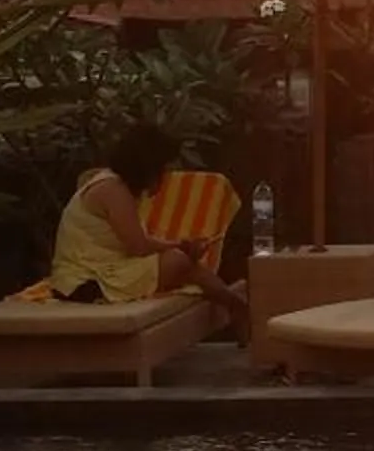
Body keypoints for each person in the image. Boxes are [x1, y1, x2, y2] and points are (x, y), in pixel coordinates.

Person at [50, 123, 248, 331]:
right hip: (85, 282)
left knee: (185, 265)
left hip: (105, 271)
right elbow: (138, 246)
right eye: (163, 168)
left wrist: (182, 246)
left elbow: (137, 243)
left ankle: (236, 306)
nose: (166, 174)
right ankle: (237, 305)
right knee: (180, 262)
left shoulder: (119, 187)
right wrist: (182, 247)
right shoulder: (111, 190)